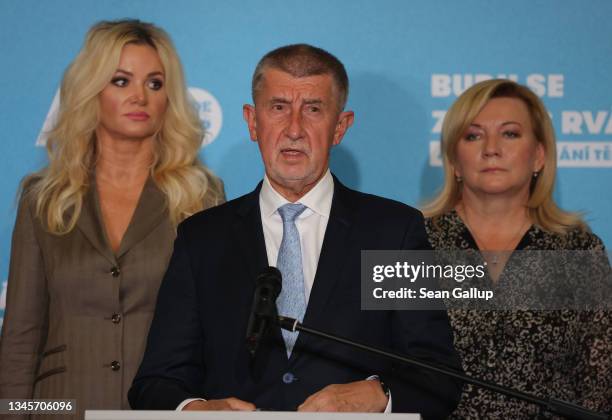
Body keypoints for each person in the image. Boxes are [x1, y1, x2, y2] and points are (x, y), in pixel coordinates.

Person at [129, 44, 462, 418]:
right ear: (253, 122)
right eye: (278, 107)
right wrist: (194, 408)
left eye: (314, 110)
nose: (294, 129)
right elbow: (156, 381)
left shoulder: (391, 233)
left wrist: (378, 395)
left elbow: (438, 373)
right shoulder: (203, 239)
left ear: (340, 127)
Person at [0, 19, 224, 419]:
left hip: (164, 410)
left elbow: (216, 332)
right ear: (92, 90)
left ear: (169, 98)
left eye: (155, 84)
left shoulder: (200, 197)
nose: (140, 96)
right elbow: (20, 339)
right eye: (121, 81)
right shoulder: (43, 199)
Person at [423, 79, 611, 418]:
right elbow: (383, 363)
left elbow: (600, 379)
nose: (491, 148)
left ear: (539, 155)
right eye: (473, 135)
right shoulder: (413, 241)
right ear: (453, 159)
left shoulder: (577, 250)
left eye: (510, 134)